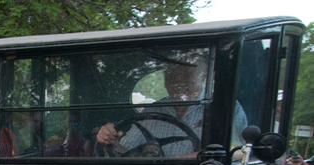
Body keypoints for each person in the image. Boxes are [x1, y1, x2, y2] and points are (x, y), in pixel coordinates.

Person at [96, 59, 248, 157]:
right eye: (171, 76)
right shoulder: (154, 111)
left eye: (186, 75)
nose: (177, 82)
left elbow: (241, 151)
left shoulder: (222, 107)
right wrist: (110, 140)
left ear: (203, 77)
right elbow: (127, 152)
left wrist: (200, 155)